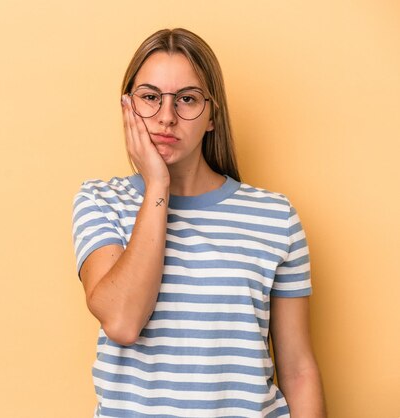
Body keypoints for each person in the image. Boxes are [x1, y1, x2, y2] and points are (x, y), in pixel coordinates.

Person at [71, 28, 326, 417]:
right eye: (150, 98)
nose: (167, 117)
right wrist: (158, 183)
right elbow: (123, 320)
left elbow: (298, 369)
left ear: (211, 117)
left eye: (187, 99)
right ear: (128, 106)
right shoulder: (101, 202)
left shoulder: (276, 217)